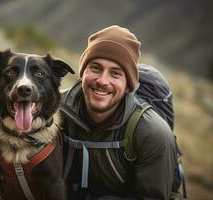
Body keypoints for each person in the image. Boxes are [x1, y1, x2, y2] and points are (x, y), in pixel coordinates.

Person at [60, 25, 178, 200]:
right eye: (96, 68)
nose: (102, 81)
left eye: (115, 73)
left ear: (128, 85)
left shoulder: (152, 133)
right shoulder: (54, 111)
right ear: (83, 72)